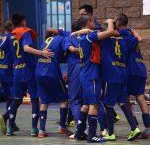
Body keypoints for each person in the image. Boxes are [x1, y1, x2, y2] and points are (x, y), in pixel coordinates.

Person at [0, 12, 53, 136]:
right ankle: (34, 129)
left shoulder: (9, 36)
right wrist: (41, 53)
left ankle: (10, 128)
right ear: (23, 21)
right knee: (34, 98)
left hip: (17, 71)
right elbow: (26, 48)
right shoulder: (25, 32)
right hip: (29, 70)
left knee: (16, 99)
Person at [72, 15, 115, 143]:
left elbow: (81, 33)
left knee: (86, 104)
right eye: (93, 21)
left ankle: (79, 132)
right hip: (92, 75)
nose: (95, 23)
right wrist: (110, 22)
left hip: (85, 73)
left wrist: (79, 31)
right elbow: (110, 32)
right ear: (89, 22)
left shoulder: (82, 36)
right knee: (94, 104)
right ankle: (91, 135)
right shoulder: (89, 37)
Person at [36, 29, 78, 138]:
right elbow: (71, 49)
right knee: (64, 99)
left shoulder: (46, 40)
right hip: (52, 72)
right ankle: (61, 127)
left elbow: (57, 56)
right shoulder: (63, 38)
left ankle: (41, 130)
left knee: (44, 101)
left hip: (39, 72)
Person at [115, 13, 150, 139]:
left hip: (130, 70)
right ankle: (147, 128)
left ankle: (134, 126)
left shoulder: (122, 35)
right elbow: (139, 38)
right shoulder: (131, 34)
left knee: (125, 99)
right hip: (141, 68)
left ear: (118, 23)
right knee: (140, 97)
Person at [0, 20, 19, 135]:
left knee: (9, 97)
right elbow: (14, 55)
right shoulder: (11, 39)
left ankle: (12, 122)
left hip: (1, 70)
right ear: (12, 28)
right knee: (15, 98)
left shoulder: (1, 38)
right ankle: (5, 117)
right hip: (9, 71)